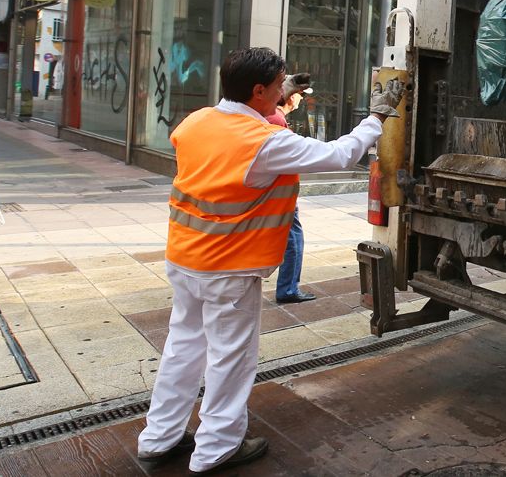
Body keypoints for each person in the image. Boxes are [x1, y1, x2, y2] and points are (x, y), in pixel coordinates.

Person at [136, 48, 403, 473]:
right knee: (230, 357)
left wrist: (276, 101)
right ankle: (216, 449)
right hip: (229, 266)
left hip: (185, 257)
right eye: (278, 86)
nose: (285, 91)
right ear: (258, 91)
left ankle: (158, 437)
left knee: (182, 348)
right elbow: (338, 156)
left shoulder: (197, 122)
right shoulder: (263, 143)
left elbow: (236, 136)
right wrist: (377, 117)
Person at [266, 91, 313, 304]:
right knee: (293, 240)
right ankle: (288, 289)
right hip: (282, 195)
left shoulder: (272, 116)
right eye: (300, 95)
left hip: (277, 193)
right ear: (291, 97)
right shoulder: (276, 119)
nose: (302, 99)